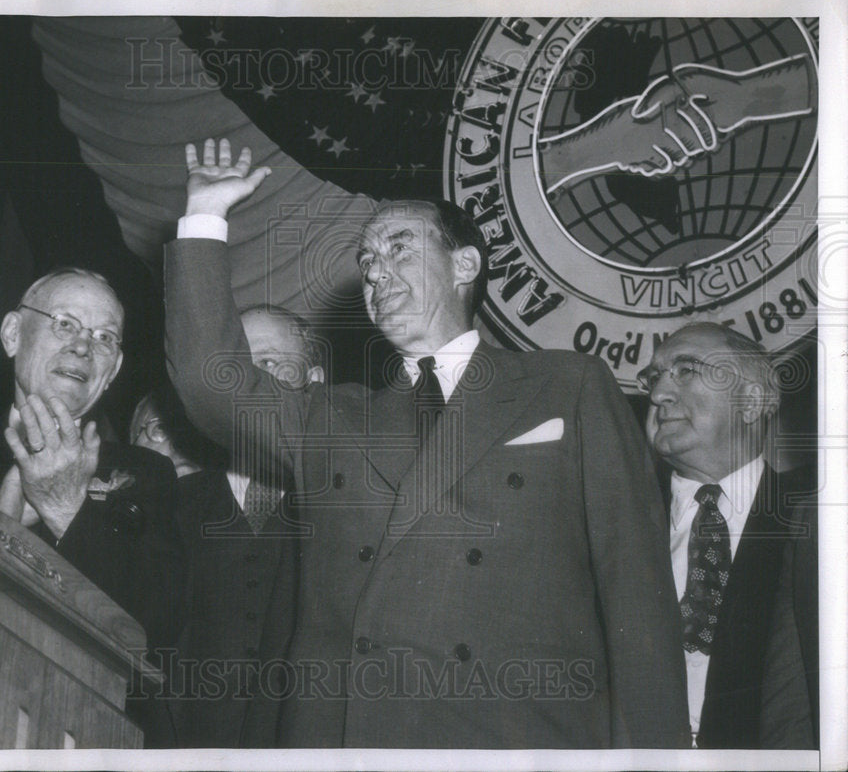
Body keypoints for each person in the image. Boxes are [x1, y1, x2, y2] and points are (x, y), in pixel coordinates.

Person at [163, 138, 689, 748]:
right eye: (366, 263)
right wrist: (205, 215)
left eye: (398, 249)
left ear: (465, 266)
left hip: (517, 740)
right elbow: (209, 384)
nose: (376, 272)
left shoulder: (566, 385)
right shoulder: (332, 416)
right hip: (350, 742)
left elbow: (637, 596)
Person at [0, 268, 187, 675]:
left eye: (104, 337)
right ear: (13, 335)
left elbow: (157, 633)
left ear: (113, 370)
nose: (83, 346)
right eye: (64, 324)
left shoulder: (148, 474)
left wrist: (65, 506)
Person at [132, 308, 324, 747]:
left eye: (272, 362)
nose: (252, 378)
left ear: (314, 381)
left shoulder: (338, 511)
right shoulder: (170, 504)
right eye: (239, 363)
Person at [640, 322, 818, 748]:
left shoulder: (816, 519)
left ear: (752, 401)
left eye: (686, 370)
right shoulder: (617, 521)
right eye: (654, 377)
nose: (658, 394)